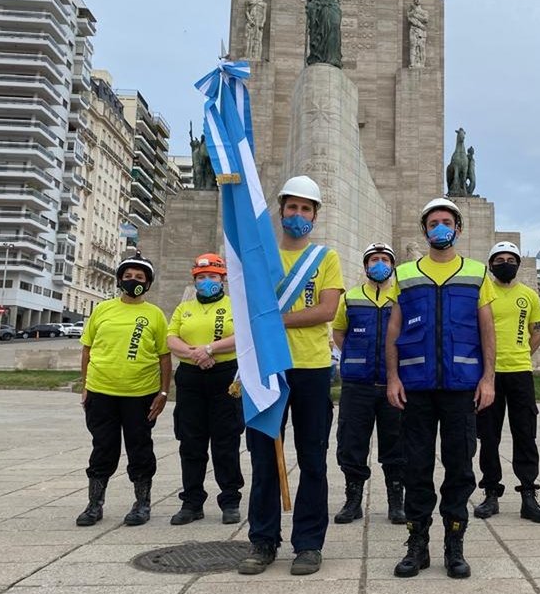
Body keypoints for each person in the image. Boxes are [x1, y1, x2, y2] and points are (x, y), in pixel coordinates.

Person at [238, 175, 345, 576]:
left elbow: (326, 310)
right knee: (264, 458)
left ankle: (309, 543)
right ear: (280, 211)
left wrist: (277, 320)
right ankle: (263, 540)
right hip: (267, 367)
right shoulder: (261, 257)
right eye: (292, 207)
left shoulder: (326, 258)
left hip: (311, 368)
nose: (298, 215)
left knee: (313, 458)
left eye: (305, 209)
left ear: (315, 216)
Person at [385, 197, 496, 579]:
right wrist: (393, 378)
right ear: (424, 230)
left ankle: (454, 544)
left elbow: (487, 330)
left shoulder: (477, 273)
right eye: (433, 223)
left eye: (447, 222)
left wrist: (488, 379)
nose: (440, 228)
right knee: (415, 468)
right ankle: (417, 545)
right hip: (415, 388)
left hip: (461, 388)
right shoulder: (405, 274)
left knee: (460, 468)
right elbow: (394, 329)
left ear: (458, 228)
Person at [75, 252, 171, 528]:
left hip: (140, 395)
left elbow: (164, 356)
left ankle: (142, 503)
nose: (133, 280)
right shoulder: (102, 310)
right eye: (128, 276)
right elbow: (87, 349)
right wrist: (85, 386)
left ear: (148, 283)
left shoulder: (154, 315)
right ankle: (94, 504)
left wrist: (163, 392)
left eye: (139, 277)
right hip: (101, 392)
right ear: (119, 280)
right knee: (103, 448)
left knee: (140, 449)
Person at [473, 241, 540, 524]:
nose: (505, 264)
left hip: (520, 373)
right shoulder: (482, 292)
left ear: (518, 264)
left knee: (525, 434)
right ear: (491, 264)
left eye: (510, 259)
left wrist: (521, 353)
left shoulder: (529, 296)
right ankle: (491, 492)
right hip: (488, 375)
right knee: (488, 436)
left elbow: (537, 331)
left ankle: (529, 494)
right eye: (499, 260)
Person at [166, 253, 244, 526]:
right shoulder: (184, 308)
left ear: (223, 279)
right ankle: (192, 502)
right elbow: (171, 337)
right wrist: (195, 354)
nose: (206, 281)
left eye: (212, 276)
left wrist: (210, 349)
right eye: (201, 277)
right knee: (191, 441)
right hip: (191, 376)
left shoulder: (234, 305)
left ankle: (230, 500)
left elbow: (243, 336)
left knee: (226, 441)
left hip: (225, 376)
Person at [331, 242, 405, 525]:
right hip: (357, 385)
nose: (379, 264)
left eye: (385, 259)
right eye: (374, 260)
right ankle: (353, 501)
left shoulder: (402, 297)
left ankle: (396, 502)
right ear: (365, 266)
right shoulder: (350, 298)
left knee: (396, 443)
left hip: (393, 384)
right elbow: (340, 333)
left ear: (393, 266)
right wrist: (355, 357)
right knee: (351, 443)